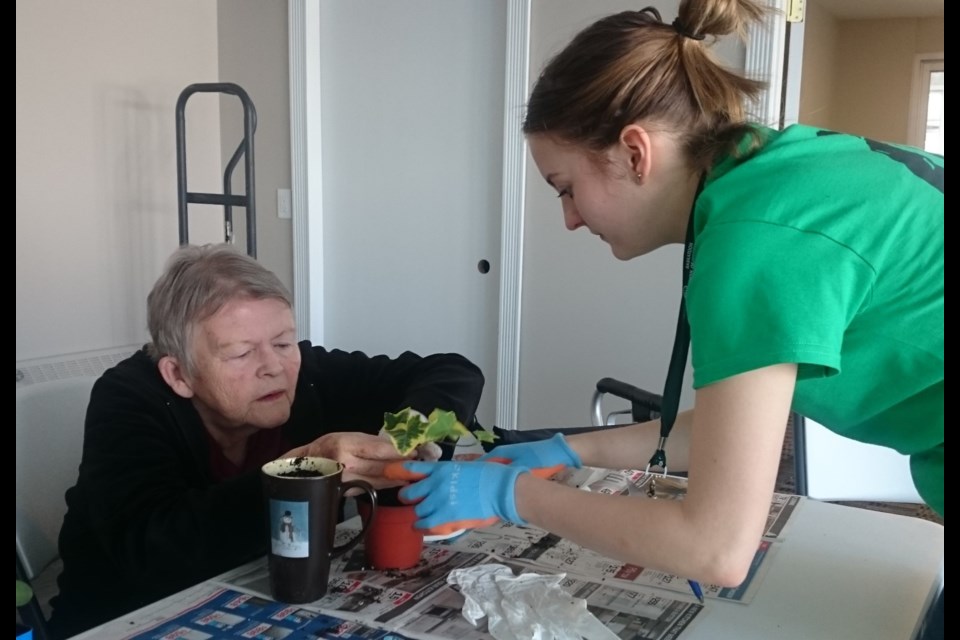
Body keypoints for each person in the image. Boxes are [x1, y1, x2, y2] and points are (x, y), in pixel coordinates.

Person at [400, 1, 942, 636]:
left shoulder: (759, 238)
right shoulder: (780, 172)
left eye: (565, 186)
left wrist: (510, 496)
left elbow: (715, 549)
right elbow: (721, 434)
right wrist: (564, 449)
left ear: (634, 152)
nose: (569, 218)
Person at [47, 243, 484, 638]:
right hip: (128, 618)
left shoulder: (306, 374)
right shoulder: (127, 399)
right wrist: (299, 472)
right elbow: (155, 550)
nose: (273, 366)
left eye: (283, 342)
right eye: (240, 353)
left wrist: (414, 428)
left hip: (264, 597)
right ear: (178, 375)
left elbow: (451, 371)